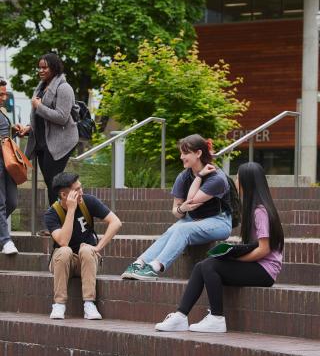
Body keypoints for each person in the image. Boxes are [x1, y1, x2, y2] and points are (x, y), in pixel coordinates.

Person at [155, 162, 284, 333]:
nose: (236, 182)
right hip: (258, 266)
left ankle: (216, 318)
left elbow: (264, 249)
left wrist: (236, 258)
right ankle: (180, 316)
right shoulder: (255, 208)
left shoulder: (260, 211)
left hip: (265, 271)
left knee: (210, 265)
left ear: (247, 182)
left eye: (238, 178)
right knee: (203, 265)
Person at [121, 134, 232, 281]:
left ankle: (155, 267)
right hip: (193, 220)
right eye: (181, 153)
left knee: (181, 229)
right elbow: (177, 212)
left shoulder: (216, 178)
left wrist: (199, 177)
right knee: (172, 229)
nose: (181, 157)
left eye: (185, 153)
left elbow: (191, 200)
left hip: (219, 222)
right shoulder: (183, 177)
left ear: (198, 153)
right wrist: (182, 209)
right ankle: (139, 263)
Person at [45, 172, 122, 320]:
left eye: (81, 187)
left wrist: (98, 247)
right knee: (64, 251)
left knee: (86, 249)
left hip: (86, 260)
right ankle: (59, 304)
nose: (82, 192)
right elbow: (63, 242)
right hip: (63, 262)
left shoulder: (88, 202)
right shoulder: (51, 214)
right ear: (64, 194)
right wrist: (71, 210)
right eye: (77, 189)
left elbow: (116, 222)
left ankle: (89, 304)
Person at [20, 53, 79, 208]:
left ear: (54, 68)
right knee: (50, 181)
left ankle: (59, 221)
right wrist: (29, 127)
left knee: (54, 182)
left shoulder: (64, 88)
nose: (41, 70)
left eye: (44, 67)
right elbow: (39, 118)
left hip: (59, 142)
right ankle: (59, 219)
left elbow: (61, 117)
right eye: (39, 67)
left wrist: (39, 106)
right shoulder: (40, 88)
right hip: (41, 142)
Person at [0, 78, 25, 254]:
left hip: (7, 161)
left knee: (12, 201)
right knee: (0, 203)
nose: (3, 97)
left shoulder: (2, 112)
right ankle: (5, 240)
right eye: (0, 94)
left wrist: (13, 131)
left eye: (4, 94)